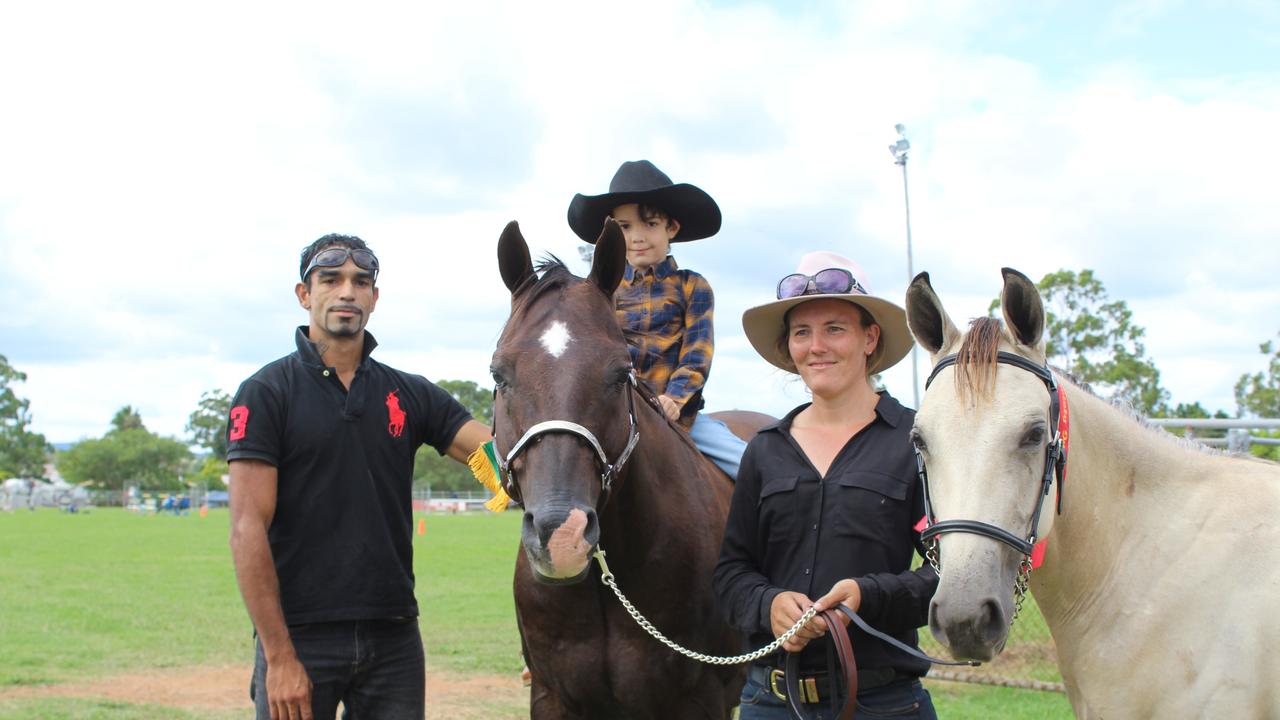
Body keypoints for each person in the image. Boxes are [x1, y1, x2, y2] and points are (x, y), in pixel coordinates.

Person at [227, 233, 490, 720]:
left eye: (360, 281)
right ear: (305, 295)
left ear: (374, 298)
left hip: (393, 636)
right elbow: (246, 529)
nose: (347, 291)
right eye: (331, 280)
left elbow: (499, 460)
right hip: (300, 636)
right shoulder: (265, 393)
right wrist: (278, 657)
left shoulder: (408, 394)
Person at [713, 252, 938, 718]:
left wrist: (868, 595)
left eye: (835, 328)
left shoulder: (918, 443)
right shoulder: (764, 451)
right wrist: (768, 604)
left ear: (869, 338)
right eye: (802, 332)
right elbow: (732, 574)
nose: (817, 346)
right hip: (769, 702)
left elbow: (948, 573)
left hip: (885, 704)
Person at [567, 159, 747, 479]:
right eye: (624, 227)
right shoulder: (598, 293)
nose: (637, 237)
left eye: (649, 224)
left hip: (679, 417)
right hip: (617, 416)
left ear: (671, 228)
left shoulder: (693, 286)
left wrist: (673, 399)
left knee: (750, 464)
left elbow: (697, 356)